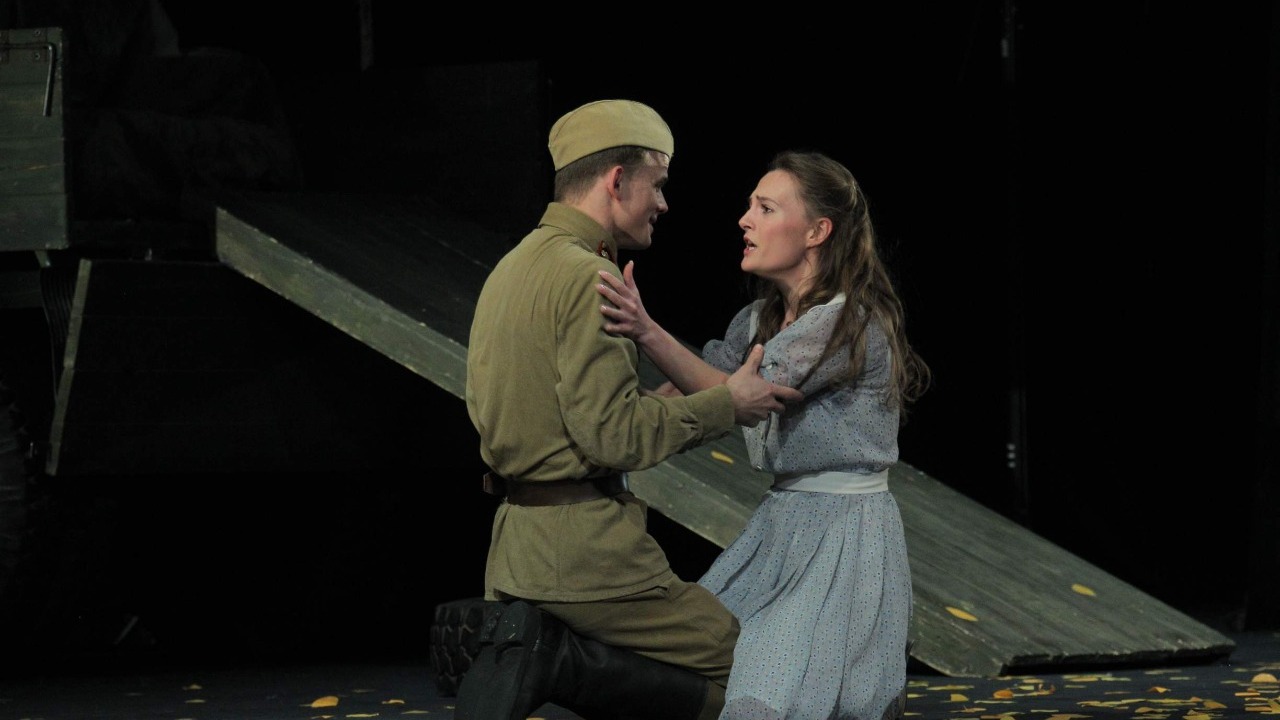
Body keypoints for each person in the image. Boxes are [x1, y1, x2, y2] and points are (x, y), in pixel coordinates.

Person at [457, 100, 805, 720]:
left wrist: (658, 399)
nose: (664, 204)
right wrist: (726, 405)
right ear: (617, 180)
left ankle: (560, 657)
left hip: (516, 553)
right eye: (658, 184)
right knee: (774, 674)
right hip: (588, 559)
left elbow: (542, 413)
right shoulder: (589, 277)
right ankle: (567, 665)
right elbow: (614, 438)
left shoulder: (514, 267)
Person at [596, 150, 932, 720]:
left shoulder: (845, 323)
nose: (744, 219)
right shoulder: (756, 321)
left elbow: (741, 396)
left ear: (817, 232)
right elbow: (696, 390)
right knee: (710, 654)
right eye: (750, 205)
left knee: (779, 692)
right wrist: (608, 418)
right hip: (783, 523)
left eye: (766, 208)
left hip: (843, 536)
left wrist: (645, 329)